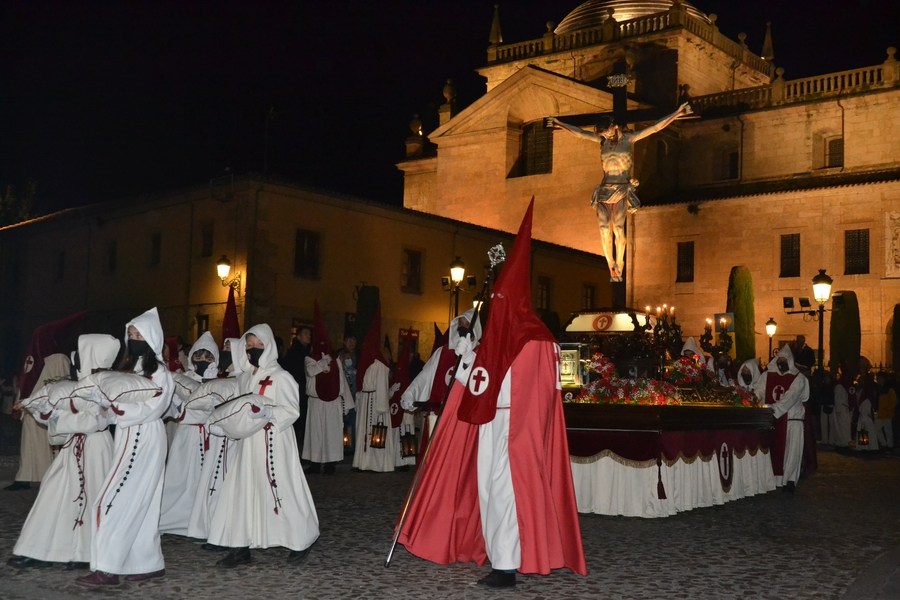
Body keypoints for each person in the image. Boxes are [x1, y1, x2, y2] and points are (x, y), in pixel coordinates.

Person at [397, 201, 587, 587]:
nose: (495, 306)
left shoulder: (538, 340)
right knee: (486, 490)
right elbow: (475, 381)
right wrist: (468, 355)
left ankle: (506, 565)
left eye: (501, 300)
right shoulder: (493, 339)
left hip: (517, 431)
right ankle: (496, 551)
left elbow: (550, 389)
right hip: (488, 423)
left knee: (505, 492)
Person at [206, 324, 318, 568]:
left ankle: (302, 537)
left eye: (258, 345)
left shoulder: (282, 377)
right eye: (249, 344)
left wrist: (267, 411)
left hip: (273, 442)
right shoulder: (246, 377)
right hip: (248, 444)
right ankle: (240, 546)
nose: (252, 349)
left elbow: (292, 410)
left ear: (268, 347)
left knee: (283, 489)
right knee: (241, 492)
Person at [78, 307, 174, 586]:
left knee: (112, 499)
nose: (133, 339)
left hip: (143, 438)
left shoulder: (161, 373)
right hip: (129, 435)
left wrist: (116, 406)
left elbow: (153, 408)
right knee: (140, 501)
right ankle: (148, 562)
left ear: (152, 338)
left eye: (139, 335)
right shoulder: (129, 369)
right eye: (130, 334)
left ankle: (107, 568)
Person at [8, 334, 119, 570]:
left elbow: (94, 422)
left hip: (96, 448)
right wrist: (43, 411)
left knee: (91, 497)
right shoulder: (75, 386)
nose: (75, 358)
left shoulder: (107, 385)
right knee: (53, 492)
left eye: (81, 352)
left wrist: (58, 416)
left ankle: (88, 552)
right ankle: (37, 549)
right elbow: (61, 415)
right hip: (72, 447)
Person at [548, 103, 692, 281]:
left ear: (614, 127)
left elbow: (655, 128)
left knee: (617, 228)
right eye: (602, 133)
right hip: (604, 190)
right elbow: (580, 133)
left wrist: (677, 113)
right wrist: (559, 123)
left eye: (606, 131)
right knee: (603, 229)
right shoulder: (602, 142)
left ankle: (620, 262)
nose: (604, 135)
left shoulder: (629, 139)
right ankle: (611, 265)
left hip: (621, 189)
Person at [400, 311, 482, 465]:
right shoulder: (442, 352)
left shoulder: (481, 354)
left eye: (467, 323)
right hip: (438, 416)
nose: (463, 327)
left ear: (475, 327)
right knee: (434, 459)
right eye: (460, 323)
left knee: (458, 461)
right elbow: (425, 376)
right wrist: (410, 394)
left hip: (463, 420)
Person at [158, 332, 220, 536]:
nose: (202, 362)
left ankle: (206, 520)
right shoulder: (184, 380)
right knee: (181, 478)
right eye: (198, 357)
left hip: (211, 436)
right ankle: (176, 518)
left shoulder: (220, 383)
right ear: (192, 357)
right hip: (187, 436)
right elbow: (173, 408)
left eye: (208, 358)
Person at [186, 338, 243, 546]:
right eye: (224, 348)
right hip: (217, 440)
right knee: (211, 482)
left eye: (229, 348)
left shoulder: (241, 380)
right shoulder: (223, 379)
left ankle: (225, 533)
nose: (225, 351)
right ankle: (212, 529)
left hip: (231, 439)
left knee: (225, 484)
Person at [303, 302, 354, 475]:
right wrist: (321, 364)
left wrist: (345, 402)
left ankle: (331, 463)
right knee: (316, 433)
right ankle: (315, 463)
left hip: (333, 402)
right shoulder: (310, 358)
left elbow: (341, 379)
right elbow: (310, 372)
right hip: (316, 401)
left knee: (331, 433)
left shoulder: (335, 358)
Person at [6, 353, 69, 491]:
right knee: (28, 445)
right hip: (31, 408)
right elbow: (25, 382)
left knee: (48, 445)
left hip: (48, 408)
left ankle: (51, 478)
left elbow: (62, 382)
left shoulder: (58, 358)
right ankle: (24, 478)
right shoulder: (32, 359)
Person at [753, 345, 809, 492]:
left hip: (791, 420)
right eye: (780, 359)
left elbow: (791, 396)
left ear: (790, 361)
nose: (782, 362)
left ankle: (790, 480)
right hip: (772, 420)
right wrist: (754, 401)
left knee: (792, 452)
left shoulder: (799, 378)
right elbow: (759, 390)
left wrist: (774, 409)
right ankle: (775, 480)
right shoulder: (767, 376)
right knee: (774, 450)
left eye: (785, 359)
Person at [352, 308, 397, 473]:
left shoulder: (380, 365)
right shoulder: (370, 362)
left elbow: (381, 386)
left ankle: (376, 463)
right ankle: (364, 462)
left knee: (375, 433)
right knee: (366, 432)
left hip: (376, 401)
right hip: (367, 400)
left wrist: (381, 408)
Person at [281, 325, 312, 455]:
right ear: (298, 337)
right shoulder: (294, 353)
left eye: (310, 334)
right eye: (305, 333)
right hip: (297, 392)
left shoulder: (309, 351)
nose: (309, 336)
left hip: (306, 391)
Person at [337, 334, 358, 453]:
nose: (351, 343)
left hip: (354, 396)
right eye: (348, 340)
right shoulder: (339, 354)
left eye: (353, 340)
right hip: (342, 396)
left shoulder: (359, 356)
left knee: (353, 422)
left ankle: (352, 446)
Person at [855, 373, 879, 451]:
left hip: (866, 414)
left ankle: (871, 447)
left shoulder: (868, 391)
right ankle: (865, 446)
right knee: (865, 430)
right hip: (863, 414)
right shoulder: (862, 390)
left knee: (868, 430)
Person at [874, 371, 896, 449]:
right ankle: (887, 444)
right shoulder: (884, 388)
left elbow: (892, 401)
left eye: (878, 378)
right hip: (883, 412)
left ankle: (887, 444)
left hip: (885, 412)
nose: (877, 380)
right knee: (885, 430)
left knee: (886, 430)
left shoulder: (888, 389)